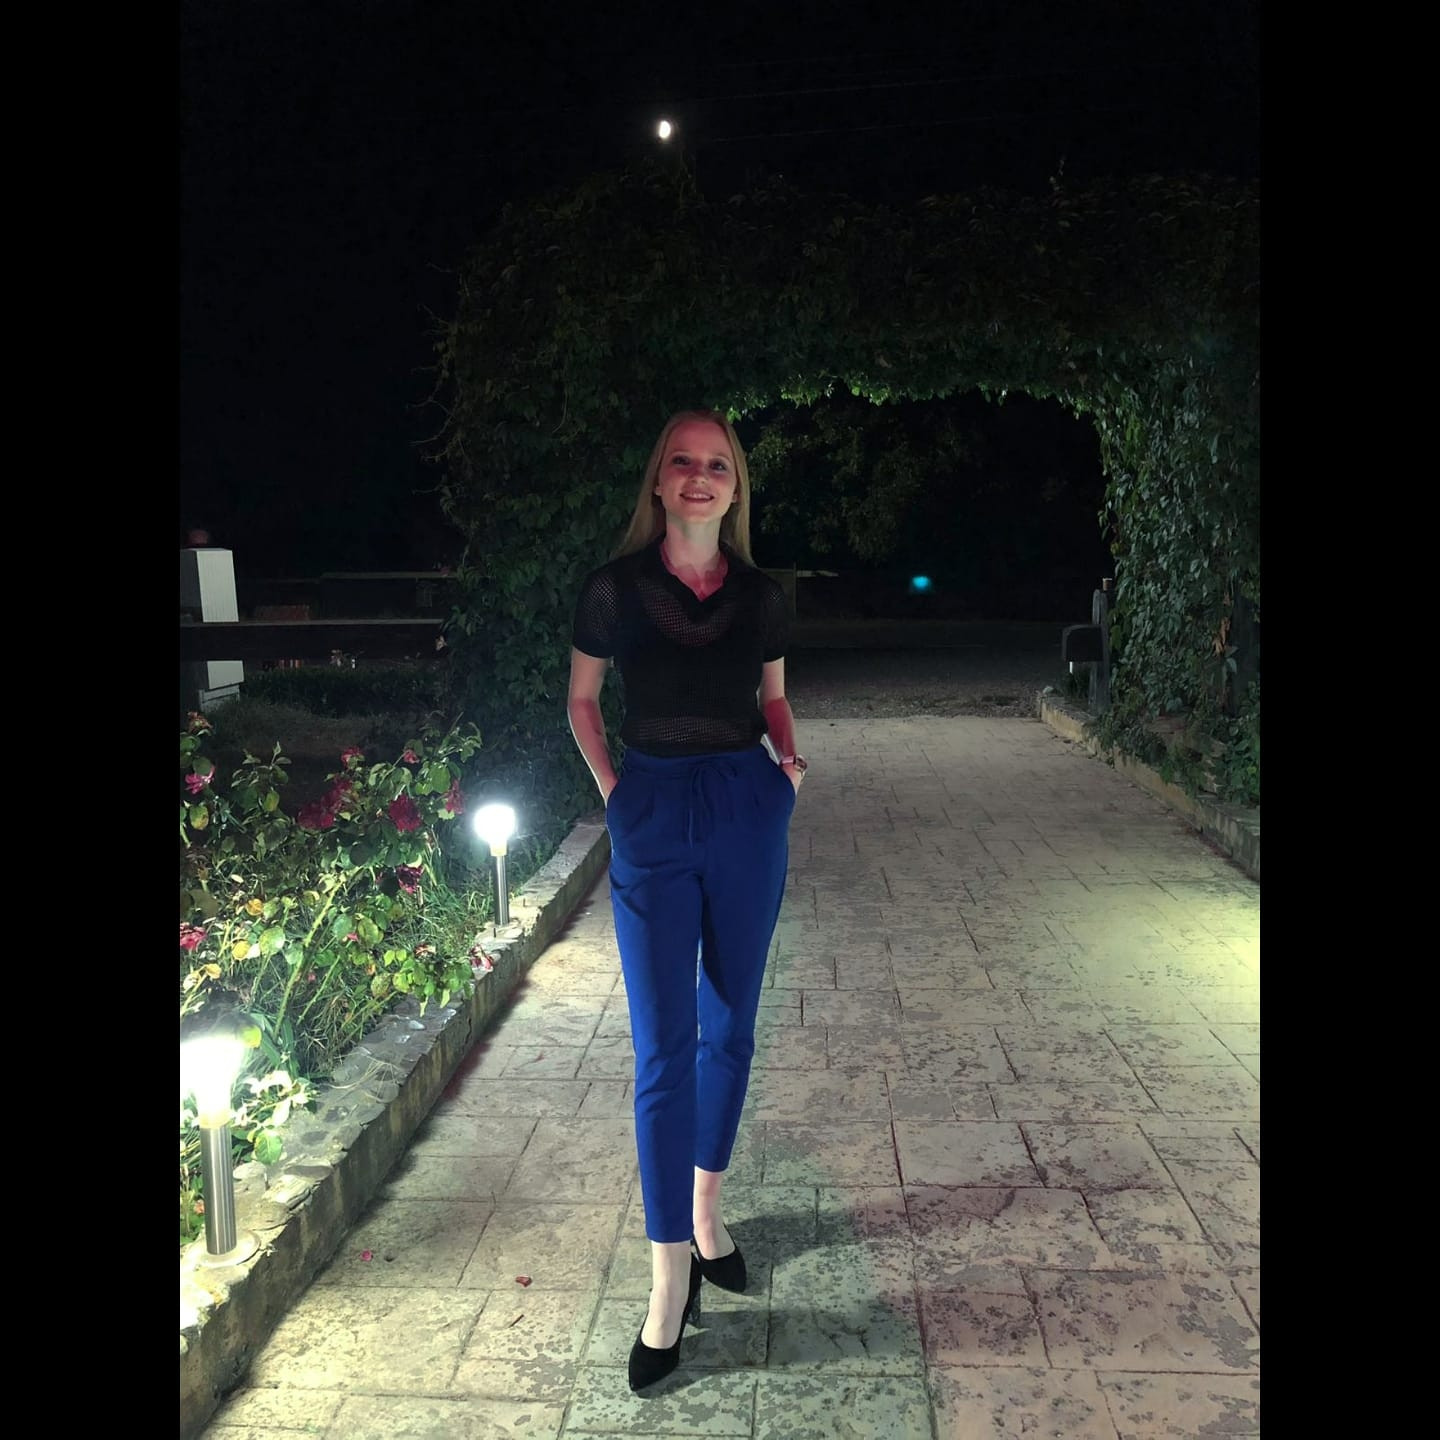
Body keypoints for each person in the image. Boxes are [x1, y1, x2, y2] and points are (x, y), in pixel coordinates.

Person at [567, 408, 807, 1392]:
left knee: (731, 1027)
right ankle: (668, 1280)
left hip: (746, 806)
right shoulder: (615, 589)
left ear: (734, 485)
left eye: (717, 464)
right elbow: (584, 700)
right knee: (663, 1049)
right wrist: (616, 794)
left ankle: (707, 1216)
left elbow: (774, 693)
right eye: (683, 463)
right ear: (660, 482)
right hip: (654, 809)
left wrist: (787, 762)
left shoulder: (761, 595)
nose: (700, 477)